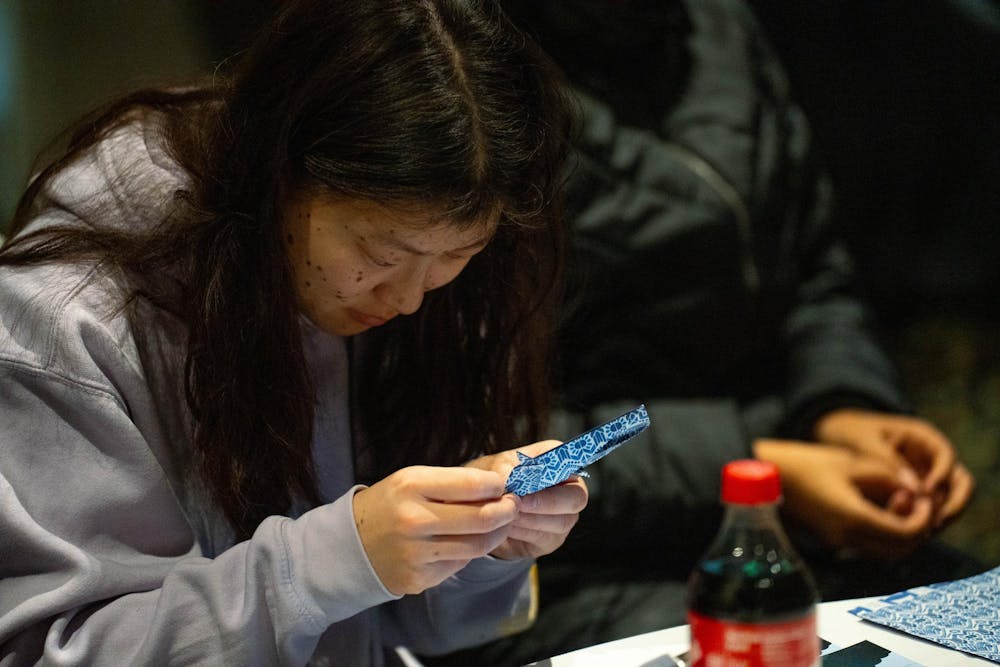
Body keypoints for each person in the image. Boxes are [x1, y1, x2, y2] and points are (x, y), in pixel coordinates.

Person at [0, 1, 589, 665]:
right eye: (379, 252)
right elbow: (56, 652)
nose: (407, 297)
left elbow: (409, 628)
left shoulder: (398, 294)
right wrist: (331, 562)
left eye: (458, 255)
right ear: (277, 176)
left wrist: (480, 540)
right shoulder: (65, 324)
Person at [423, 0, 978, 664]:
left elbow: (814, 267)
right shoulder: (462, 58)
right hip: (562, 567)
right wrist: (753, 465)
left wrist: (843, 404)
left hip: (787, 504)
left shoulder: (717, 22)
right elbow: (479, 440)